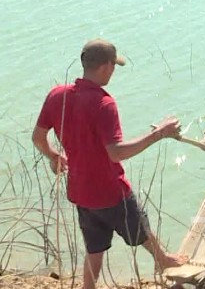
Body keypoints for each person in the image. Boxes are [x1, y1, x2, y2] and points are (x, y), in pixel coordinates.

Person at [32, 39, 189, 289]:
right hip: (111, 193)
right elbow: (116, 153)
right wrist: (159, 133)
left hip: (80, 193)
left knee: (94, 248)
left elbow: (38, 138)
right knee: (140, 229)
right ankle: (164, 260)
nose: (113, 72)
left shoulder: (56, 95)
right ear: (106, 67)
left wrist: (54, 156)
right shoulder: (104, 104)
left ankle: (89, 287)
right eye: (113, 67)